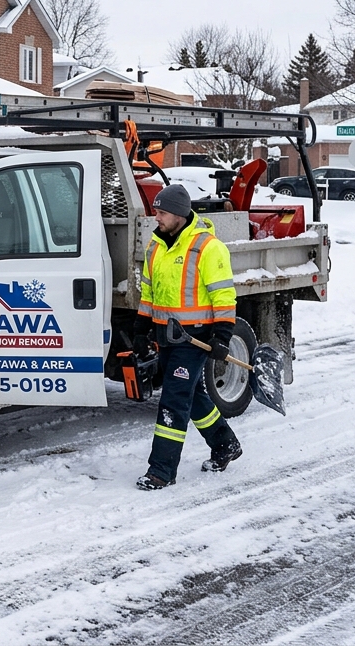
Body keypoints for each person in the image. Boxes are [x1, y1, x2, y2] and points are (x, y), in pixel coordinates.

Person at [133, 184, 242, 490]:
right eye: (156, 211)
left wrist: (222, 336)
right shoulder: (155, 247)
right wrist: (141, 329)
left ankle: (161, 471)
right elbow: (149, 294)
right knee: (192, 396)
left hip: (194, 337)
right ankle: (225, 444)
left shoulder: (207, 247)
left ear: (180, 214)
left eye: (162, 212)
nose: (157, 217)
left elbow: (223, 296)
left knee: (173, 400)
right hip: (167, 336)